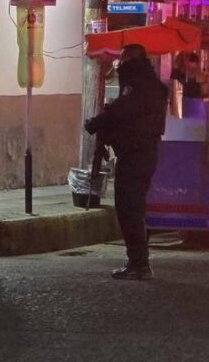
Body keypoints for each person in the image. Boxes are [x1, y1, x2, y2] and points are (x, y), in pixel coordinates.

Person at [85, 43, 168, 280]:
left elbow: (123, 111)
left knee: (129, 207)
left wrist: (98, 122)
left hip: (135, 154)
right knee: (133, 206)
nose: (120, 65)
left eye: (122, 60)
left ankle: (139, 263)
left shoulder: (137, 85)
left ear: (131, 60)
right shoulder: (149, 84)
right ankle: (138, 261)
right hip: (142, 152)